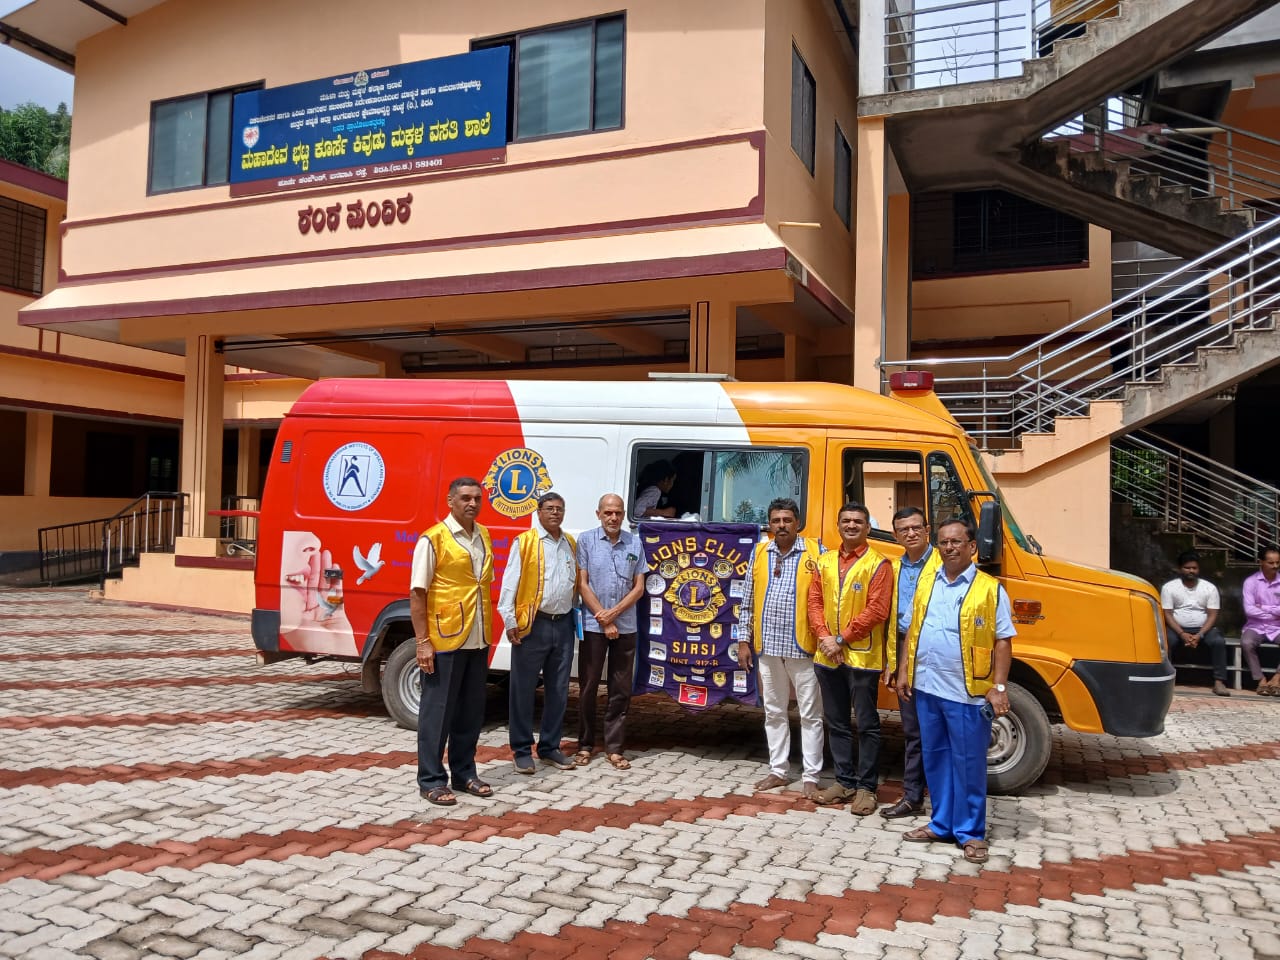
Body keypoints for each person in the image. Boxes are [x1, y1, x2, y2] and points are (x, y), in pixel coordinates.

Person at [898, 517, 1016, 865]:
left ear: (972, 547)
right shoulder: (927, 583)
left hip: (968, 694)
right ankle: (941, 823)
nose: (949, 547)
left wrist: (998, 687)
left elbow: (1003, 641)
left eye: (956, 542)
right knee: (935, 758)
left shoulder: (990, 589)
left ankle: (971, 833)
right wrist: (904, 671)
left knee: (967, 764)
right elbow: (911, 630)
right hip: (928, 689)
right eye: (944, 543)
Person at [410, 477, 496, 806]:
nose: (472, 503)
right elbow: (418, 593)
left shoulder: (484, 535)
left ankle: (464, 773)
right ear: (450, 501)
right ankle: (431, 779)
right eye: (465, 498)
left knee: (470, 712)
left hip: (477, 635)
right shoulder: (433, 539)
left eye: (477, 498)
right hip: (444, 637)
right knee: (438, 712)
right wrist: (422, 642)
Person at [735, 498, 825, 798]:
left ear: (797, 523)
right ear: (769, 524)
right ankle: (778, 770)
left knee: (811, 714)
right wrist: (743, 640)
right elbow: (746, 600)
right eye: (776, 521)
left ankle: (811, 775)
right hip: (768, 647)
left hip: (804, 648)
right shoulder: (760, 552)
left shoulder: (816, 552)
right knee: (774, 711)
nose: (782, 526)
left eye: (787, 520)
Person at [806, 502, 892, 816]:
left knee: (867, 725)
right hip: (828, 657)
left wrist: (841, 638)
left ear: (868, 527)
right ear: (838, 525)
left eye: (858, 521)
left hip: (862, 659)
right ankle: (844, 782)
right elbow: (814, 601)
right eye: (846, 520)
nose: (852, 525)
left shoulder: (879, 564)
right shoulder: (824, 561)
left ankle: (867, 788)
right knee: (837, 723)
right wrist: (825, 637)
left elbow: (877, 609)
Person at [498, 492, 579, 774]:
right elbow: (510, 584)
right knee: (523, 689)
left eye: (560, 508)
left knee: (559, 689)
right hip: (533, 624)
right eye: (550, 509)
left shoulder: (569, 543)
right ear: (539, 512)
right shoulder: (525, 543)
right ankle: (521, 750)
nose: (555, 513)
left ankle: (549, 747)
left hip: (564, 623)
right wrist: (510, 621)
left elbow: (575, 584)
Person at [575, 493, 646, 769]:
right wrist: (604, 620)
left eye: (618, 513)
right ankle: (584, 745)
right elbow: (582, 584)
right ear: (598, 514)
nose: (613, 518)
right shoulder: (586, 540)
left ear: (624, 514)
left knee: (620, 688)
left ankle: (614, 748)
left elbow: (639, 587)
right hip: (594, 625)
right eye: (608, 513)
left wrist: (614, 615)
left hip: (626, 626)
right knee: (588, 686)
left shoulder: (635, 543)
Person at [881, 506, 940, 820]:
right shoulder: (893, 567)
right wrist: (892, 661)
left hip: (936, 652)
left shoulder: (943, 564)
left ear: (927, 529)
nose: (911, 534)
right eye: (904, 529)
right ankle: (913, 797)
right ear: (895, 535)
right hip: (904, 649)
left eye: (916, 527)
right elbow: (892, 622)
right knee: (914, 730)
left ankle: (944, 803)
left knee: (941, 729)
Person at [1161, 550, 1230, 697]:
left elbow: (1212, 615)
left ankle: (1219, 681)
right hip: (1177, 628)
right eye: (1187, 567)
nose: (1191, 571)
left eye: (1194, 568)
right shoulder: (1169, 587)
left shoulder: (1209, 588)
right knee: (1167, 640)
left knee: (1218, 641)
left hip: (1203, 628)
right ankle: (1167, 680)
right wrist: (1182, 633)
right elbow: (1167, 613)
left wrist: (1200, 634)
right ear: (1180, 568)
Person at [1242, 545, 1280, 696]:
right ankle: (1261, 680)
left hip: (1278, 626)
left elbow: (1256, 609)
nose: (1275, 566)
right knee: (1246, 643)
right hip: (1255, 626)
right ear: (1261, 562)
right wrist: (1275, 612)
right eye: (1271, 563)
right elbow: (1249, 609)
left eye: (1278, 562)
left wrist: (1263, 607)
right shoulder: (1250, 582)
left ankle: (1277, 678)